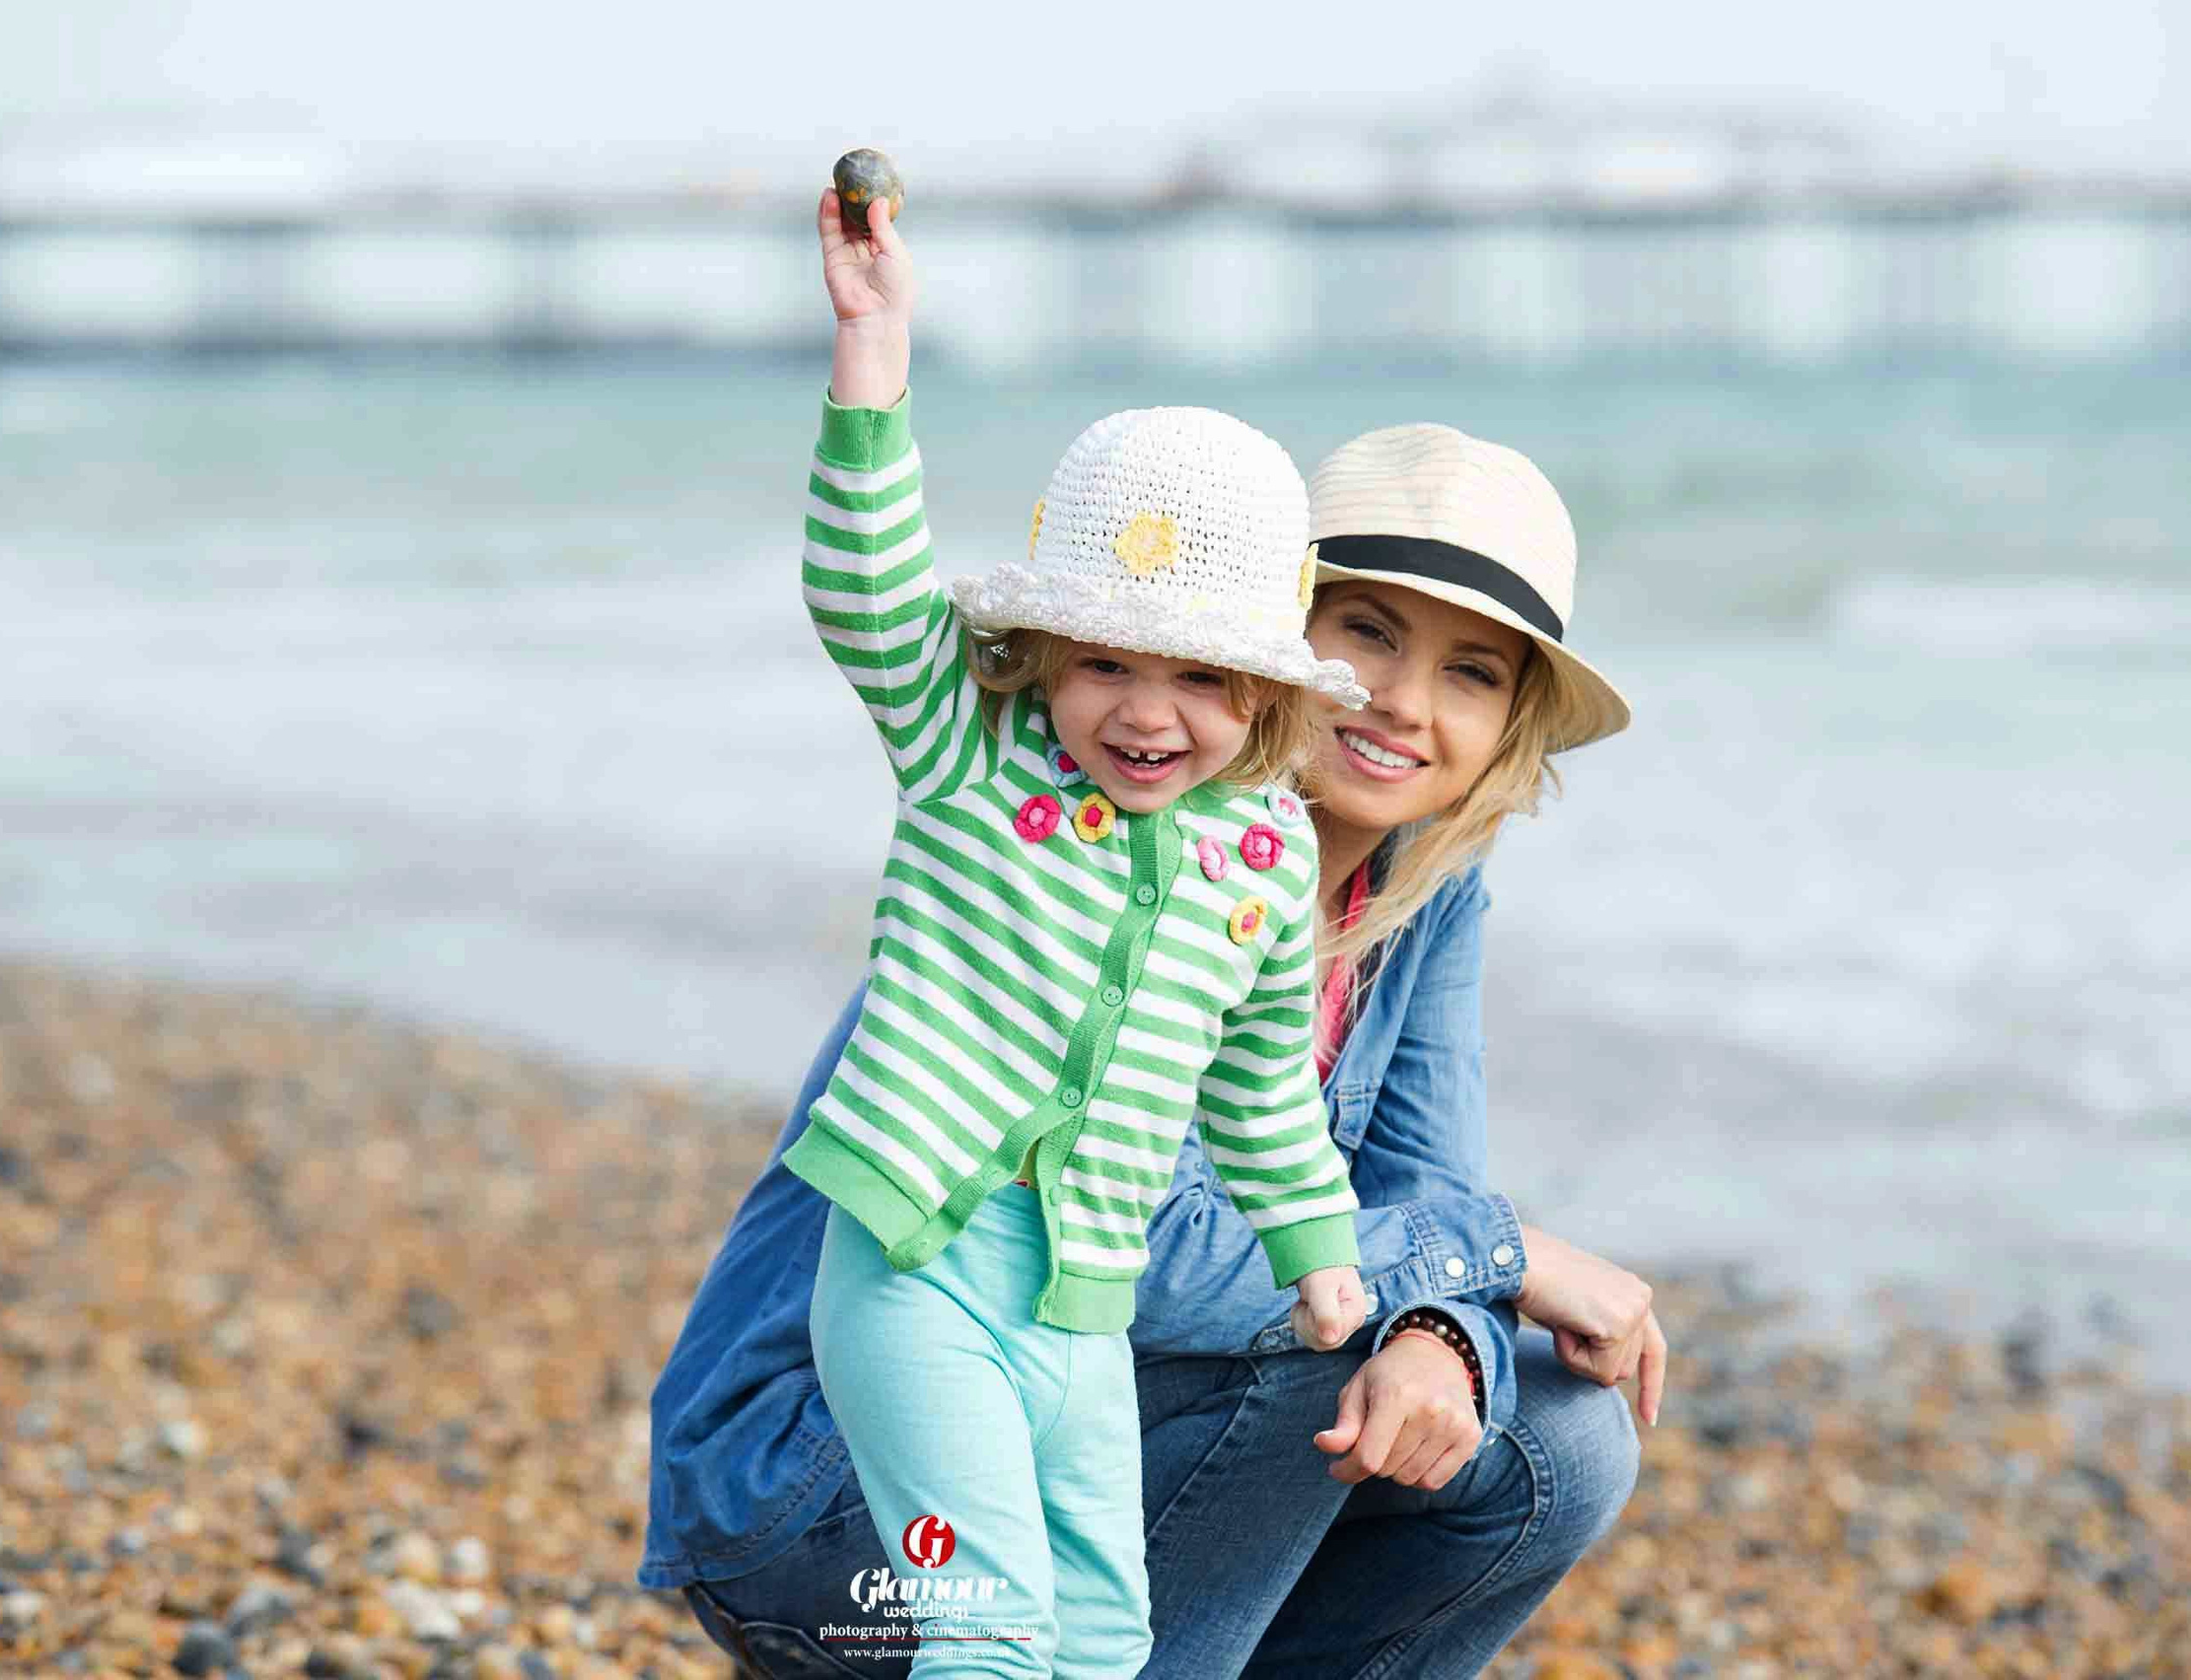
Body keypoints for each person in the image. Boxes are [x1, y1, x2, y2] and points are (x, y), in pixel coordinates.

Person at [641, 242, 1670, 1680]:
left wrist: (1446, 1320)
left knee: (1557, 1437)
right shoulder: (1048, 825)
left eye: (1473, 673)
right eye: (1365, 632)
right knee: (1316, 1338)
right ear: (1263, 631)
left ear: (1509, 729)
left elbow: (1420, 1190)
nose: (1399, 705)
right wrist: (1497, 1259)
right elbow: (1172, 1264)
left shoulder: (1422, 898)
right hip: (837, 1499)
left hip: (1075, 1417)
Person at [783, 179, 1386, 1679]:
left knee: (1106, 1634)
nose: (1145, 710)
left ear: (1263, 697)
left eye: (1197, 676)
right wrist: (874, 347)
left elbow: (1255, 1085)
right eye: (1104, 661)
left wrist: (1315, 1242)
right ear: (1041, 652)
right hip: (915, 1264)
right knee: (986, 1628)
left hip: (1080, 1308)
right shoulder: (969, 747)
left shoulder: (1264, 850)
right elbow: (862, 583)